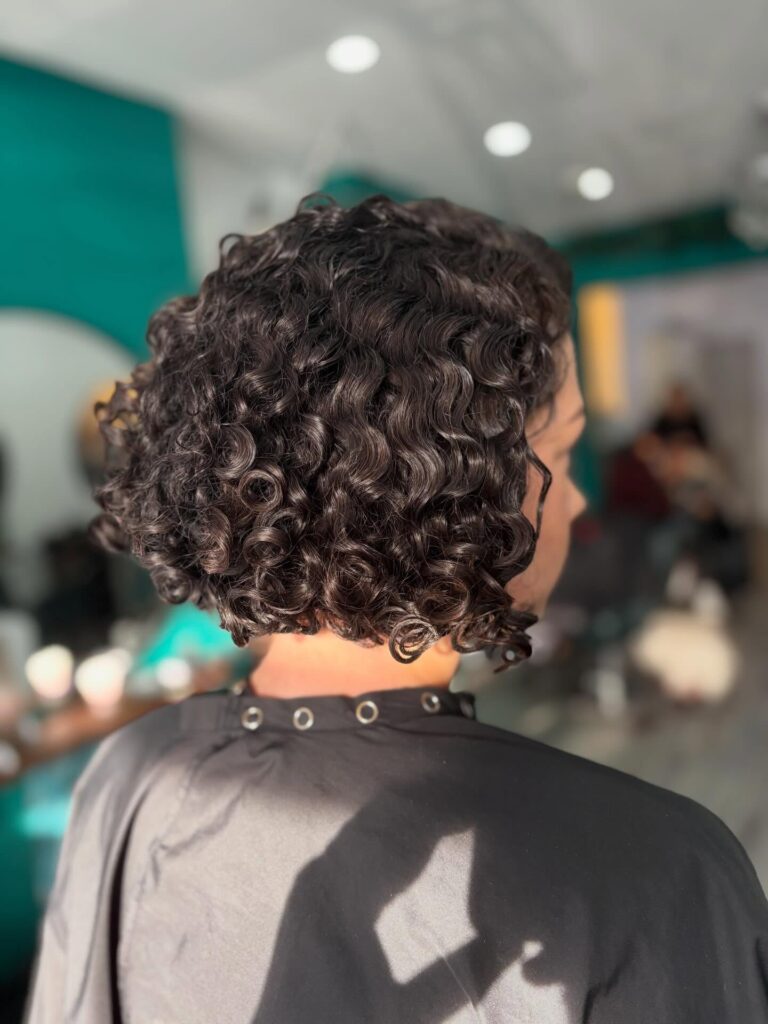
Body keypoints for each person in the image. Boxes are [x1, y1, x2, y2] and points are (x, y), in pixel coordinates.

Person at [24, 195, 768, 1024]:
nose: (579, 499)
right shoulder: (655, 871)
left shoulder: (125, 774)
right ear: (463, 482)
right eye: (560, 452)